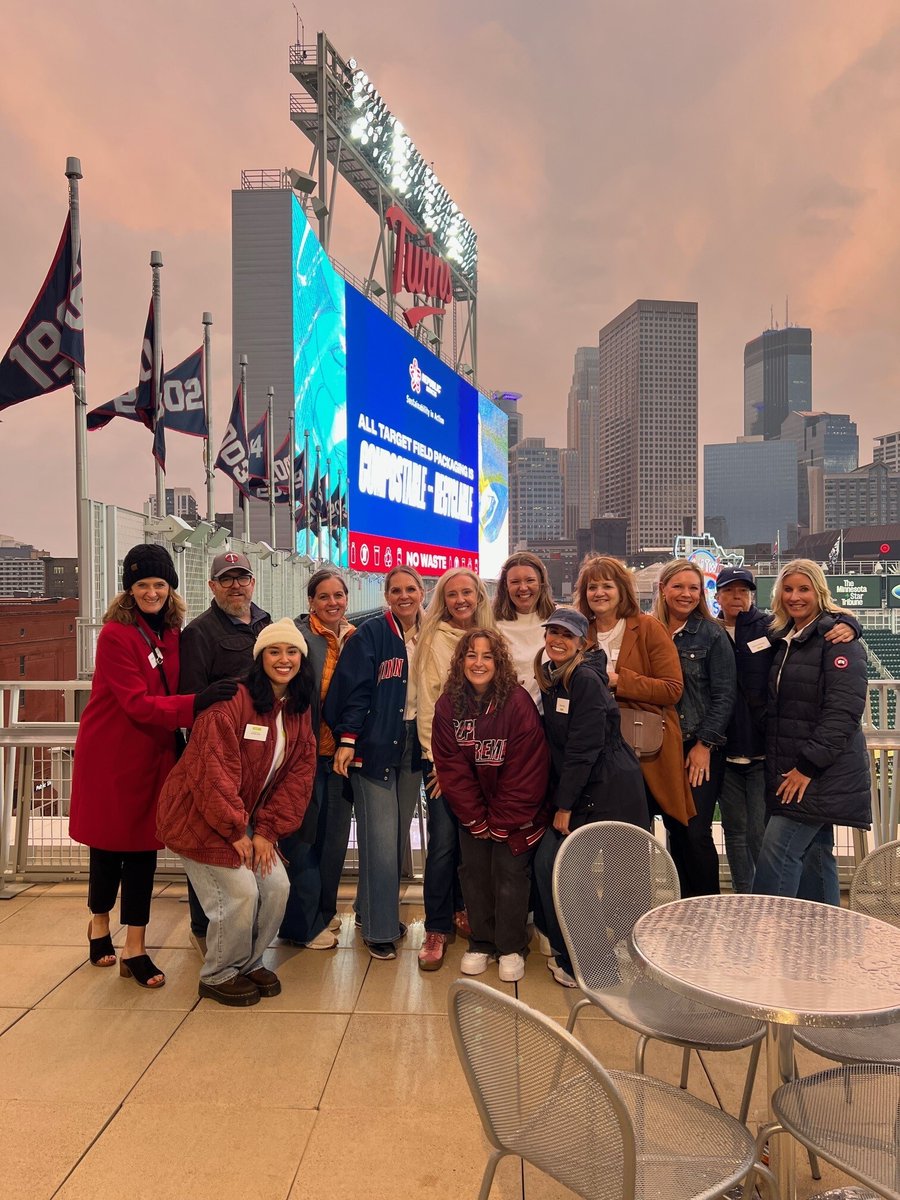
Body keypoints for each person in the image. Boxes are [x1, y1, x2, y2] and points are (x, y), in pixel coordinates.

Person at [69, 544, 237, 989]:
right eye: (142, 584)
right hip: (113, 754)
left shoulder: (174, 632)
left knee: (144, 848)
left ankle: (135, 947)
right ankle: (99, 923)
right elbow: (136, 704)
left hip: (155, 751)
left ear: (170, 588)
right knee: (108, 846)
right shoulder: (115, 636)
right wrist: (196, 703)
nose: (151, 592)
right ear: (129, 589)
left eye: (159, 584)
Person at [157, 619, 318, 1005]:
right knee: (242, 893)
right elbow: (212, 772)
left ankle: (248, 963)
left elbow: (299, 775)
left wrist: (266, 832)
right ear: (260, 657)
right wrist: (235, 831)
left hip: (243, 821)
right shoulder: (232, 702)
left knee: (276, 888)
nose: (283, 659)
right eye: (274, 651)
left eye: (291, 651)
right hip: (198, 817)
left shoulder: (297, 708)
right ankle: (218, 973)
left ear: (302, 659)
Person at [531, 607, 648, 987]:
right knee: (557, 866)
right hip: (587, 786)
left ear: (582, 643)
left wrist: (564, 806)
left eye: (567, 635)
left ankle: (592, 964)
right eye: (553, 632)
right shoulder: (553, 676)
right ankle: (580, 956)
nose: (557, 640)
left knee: (571, 869)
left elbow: (584, 748)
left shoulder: (583, 679)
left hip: (609, 789)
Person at [431, 629, 550, 983]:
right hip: (474, 813)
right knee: (474, 871)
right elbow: (451, 767)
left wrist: (501, 820)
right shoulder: (448, 705)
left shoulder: (517, 702)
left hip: (516, 813)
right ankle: (482, 942)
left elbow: (526, 769)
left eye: (487, 656)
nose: (478, 663)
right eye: (471, 655)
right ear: (460, 661)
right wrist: (476, 818)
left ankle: (511, 946)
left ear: (499, 662)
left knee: (510, 873)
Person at [752, 560, 870, 905]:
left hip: (815, 772)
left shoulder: (837, 639)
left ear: (819, 592)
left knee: (777, 850)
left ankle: (765, 928)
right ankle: (826, 933)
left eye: (804, 589)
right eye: (788, 589)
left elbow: (843, 713)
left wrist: (806, 767)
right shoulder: (785, 636)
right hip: (792, 767)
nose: (795, 597)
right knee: (816, 856)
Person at [324, 566, 426, 961]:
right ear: (386, 596)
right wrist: (348, 738)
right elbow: (353, 691)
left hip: (414, 744)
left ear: (421, 592)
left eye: (410, 588)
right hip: (374, 746)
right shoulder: (370, 634)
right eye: (395, 590)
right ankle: (380, 930)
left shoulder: (431, 632)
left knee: (395, 837)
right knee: (380, 840)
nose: (404, 596)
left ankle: (368, 908)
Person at [178, 551, 271, 955]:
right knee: (212, 837)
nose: (236, 586)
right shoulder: (199, 633)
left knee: (249, 835)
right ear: (212, 586)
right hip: (221, 754)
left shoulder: (266, 623)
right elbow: (191, 699)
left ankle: (245, 922)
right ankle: (204, 927)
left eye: (242, 578)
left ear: (253, 583)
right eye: (227, 579)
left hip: (260, 754)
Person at [573, 555, 694, 833]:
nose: (599, 593)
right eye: (592, 587)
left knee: (636, 838)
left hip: (644, 750)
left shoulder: (648, 627)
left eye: (607, 586)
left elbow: (672, 689)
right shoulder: (579, 633)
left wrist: (619, 681)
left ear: (622, 590)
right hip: (593, 752)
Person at [415, 568, 496, 970]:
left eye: (467, 592)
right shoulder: (434, 638)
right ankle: (436, 925)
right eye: (452, 594)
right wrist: (439, 763)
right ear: (443, 600)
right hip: (445, 762)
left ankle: (465, 908)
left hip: (485, 760)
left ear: (479, 595)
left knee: (474, 843)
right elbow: (429, 703)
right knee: (444, 843)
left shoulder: (491, 636)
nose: (461, 600)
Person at [279, 569, 355, 949]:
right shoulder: (298, 638)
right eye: (323, 596)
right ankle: (300, 925)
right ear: (311, 601)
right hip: (304, 757)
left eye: (338, 595)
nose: (332, 603)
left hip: (339, 757)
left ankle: (323, 913)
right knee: (302, 839)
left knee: (333, 841)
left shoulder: (354, 638)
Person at [654, 559, 736, 898]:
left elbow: (725, 695)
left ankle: (706, 908)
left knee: (695, 831)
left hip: (698, 746)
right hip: (660, 747)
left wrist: (704, 745)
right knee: (675, 828)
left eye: (693, 588)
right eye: (678, 586)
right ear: (663, 589)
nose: (686, 594)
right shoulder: (650, 630)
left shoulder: (711, 634)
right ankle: (682, 906)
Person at [492, 551, 555, 705]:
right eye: (515, 582)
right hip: (508, 711)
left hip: (551, 712)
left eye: (530, 580)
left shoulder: (559, 619)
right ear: (505, 586)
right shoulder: (491, 623)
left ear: (541, 583)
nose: (523, 587)